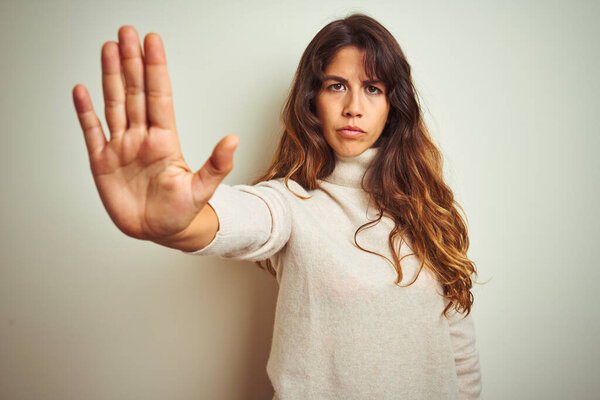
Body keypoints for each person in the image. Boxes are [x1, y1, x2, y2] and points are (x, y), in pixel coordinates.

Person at [72, 13, 482, 400]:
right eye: (336, 85)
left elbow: (458, 350)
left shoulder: (430, 208)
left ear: (394, 106)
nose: (354, 106)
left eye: (373, 88)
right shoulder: (291, 204)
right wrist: (176, 224)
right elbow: (243, 218)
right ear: (312, 102)